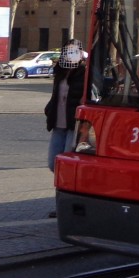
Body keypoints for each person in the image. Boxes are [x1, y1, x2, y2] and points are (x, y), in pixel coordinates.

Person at [44, 40, 87, 217]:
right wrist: (49, 109)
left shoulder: (84, 72)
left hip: (72, 125)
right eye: (68, 51)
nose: (70, 54)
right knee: (53, 163)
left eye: (74, 51)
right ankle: (62, 204)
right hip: (58, 124)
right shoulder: (60, 71)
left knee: (67, 167)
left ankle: (64, 206)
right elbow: (56, 95)